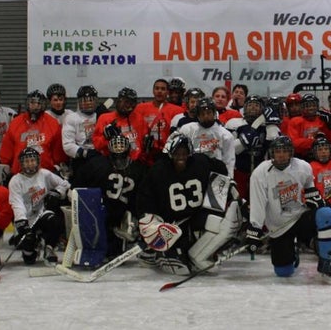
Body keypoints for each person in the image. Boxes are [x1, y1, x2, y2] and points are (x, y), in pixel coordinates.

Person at [136, 134, 242, 275]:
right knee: (180, 269)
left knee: (221, 222)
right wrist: (155, 225)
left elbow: (220, 170)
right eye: (177, 153)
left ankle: (199, 255)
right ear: (170, 153)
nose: (181, 157)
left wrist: (229, 186)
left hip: (195, 217)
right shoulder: (158, 171)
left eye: (184, 153)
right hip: (172, 226)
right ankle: (157, 254)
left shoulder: (200, 162)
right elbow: (145, 201)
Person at [245, 136, 331, 283]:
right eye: (278, 151)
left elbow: (310, 188)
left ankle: (325, 262)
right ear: (272, 153)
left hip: (299, 217)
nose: (281, 155)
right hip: (279, 227)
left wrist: (313, 198)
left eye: (285, 151)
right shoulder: (260, 173)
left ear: (291, 153)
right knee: (283, 272)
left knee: (326, 213)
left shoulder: (303, 167)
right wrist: (255, 227)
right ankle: (293, 251)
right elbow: (258, 202)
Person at [72, 135, 147, 259]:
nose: (119, 162)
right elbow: (78, 186)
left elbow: (143, 196)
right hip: (102, 212)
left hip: (121, 212)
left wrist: (137, 217)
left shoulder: (137, 169)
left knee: (113, 252)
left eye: (121, 156)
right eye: (116, 157)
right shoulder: (99, 164)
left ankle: (126, 231)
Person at [8, 147, 70, 265]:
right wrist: (23, 224)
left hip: (43, 214)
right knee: (29, 257)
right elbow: (17, 204)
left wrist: (57, 193)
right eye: (26, 161)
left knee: (55, 221)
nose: (30, 164)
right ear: (21, 163)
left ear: (37, 161)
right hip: (26, 219)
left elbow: (65, 184)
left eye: (32, 160)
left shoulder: (44, 174)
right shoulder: (15, 181)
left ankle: (49, 248)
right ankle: (32, 249)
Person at [224, 94, 280, 201]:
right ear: (244, 108)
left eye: (256, 105)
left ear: (262, 109)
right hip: (239, 171)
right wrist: (243, 142)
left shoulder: (266, 125)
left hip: (262, 172)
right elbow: (228, 149)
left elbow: (274, 144)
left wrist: (271, 122)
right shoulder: (234, 123)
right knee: (237, 201)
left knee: (261, 201)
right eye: (250, 105)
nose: (253, 107)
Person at [0, 90, 66, 175]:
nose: (35, 106)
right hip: (19, 174)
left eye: (38, 104)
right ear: (28, 104)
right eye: (32, 103)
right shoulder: (15, 123)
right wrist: (5, 167)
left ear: (43, 105)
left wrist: (56, 167)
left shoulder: (52, 123)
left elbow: (58, 154)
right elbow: (6, 151)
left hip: (44, 174)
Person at [177, 97, 236, 177]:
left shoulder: (226, 135)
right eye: (202, 114)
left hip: (216, 176)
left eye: (208, 113)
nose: (206, 116)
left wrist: (229, 180)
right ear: (198, 115)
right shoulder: (186, 130)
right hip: (192, 173)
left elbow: (229, 161)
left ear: (214, 113)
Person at [92, 87, 148, 164]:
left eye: (131, 103)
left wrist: (147, 146)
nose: (128, 106)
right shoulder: (105, 118)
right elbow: (97, 146)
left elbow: (143, 144)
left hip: (135, 163)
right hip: (112, 162)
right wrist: (106, 138)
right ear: (117, 101)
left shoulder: (139, 118)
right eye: (125, 102)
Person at [135, 79, 182, 165]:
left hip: (165, 154)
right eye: (157, 88)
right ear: (153, 91)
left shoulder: (177, 110)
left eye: (163, 89)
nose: (159, 91)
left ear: (167, 92)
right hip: (144, 153)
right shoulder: (140, 108)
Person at [308, 136, 331, 228]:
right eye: (320, 149)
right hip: (320, 210)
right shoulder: (309, 167)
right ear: (314, 152)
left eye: (326, 149)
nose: (324, 152)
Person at [62, 85, 99, 175]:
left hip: (100, 157)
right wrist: (84, 153)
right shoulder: (71, 118)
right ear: (79, 102)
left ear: (95, 101)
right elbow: (68, 145)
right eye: (84, 100)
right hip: (81, 159)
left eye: (91, 100)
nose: (88, 103)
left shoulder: (101, 116)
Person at [287, 93, 331, 160]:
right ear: (302, 107)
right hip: (302, 157)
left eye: (313, 105)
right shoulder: (295, 121)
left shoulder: (323, 119)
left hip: (323, 156)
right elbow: (293, 143)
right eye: (307, 106)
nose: (310, 108)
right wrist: (314, 142)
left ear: (317, 106)